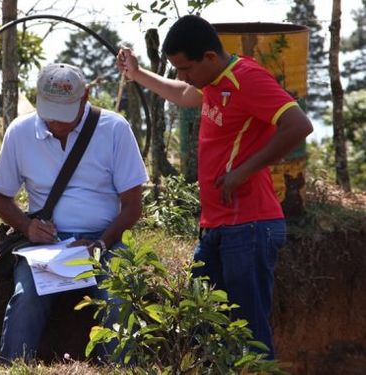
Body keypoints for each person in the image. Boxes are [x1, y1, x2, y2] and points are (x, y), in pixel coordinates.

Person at [117, 15, 313, 358]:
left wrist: (243, 172)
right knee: (204, 322)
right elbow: (182, 93)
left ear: (210, 57)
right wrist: (137, 75)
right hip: (217, 225)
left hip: (249, 226)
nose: (182, 76)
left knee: (248, 333)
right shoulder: (211, 83)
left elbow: (298, 125)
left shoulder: (247, 79)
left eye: (186, 67)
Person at [0, 62, 148, 363]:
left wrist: (100, 243)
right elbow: (0, 198)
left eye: (64, 114)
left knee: (116, 299)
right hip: (44, 245)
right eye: (49, 112)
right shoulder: (20, 132)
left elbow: (132, 206)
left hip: (105, 242)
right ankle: (13, 366)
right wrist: (27, 227)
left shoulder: (115, 129)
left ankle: (117, 369)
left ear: (86, 96)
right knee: (25, 298)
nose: (56, 123)